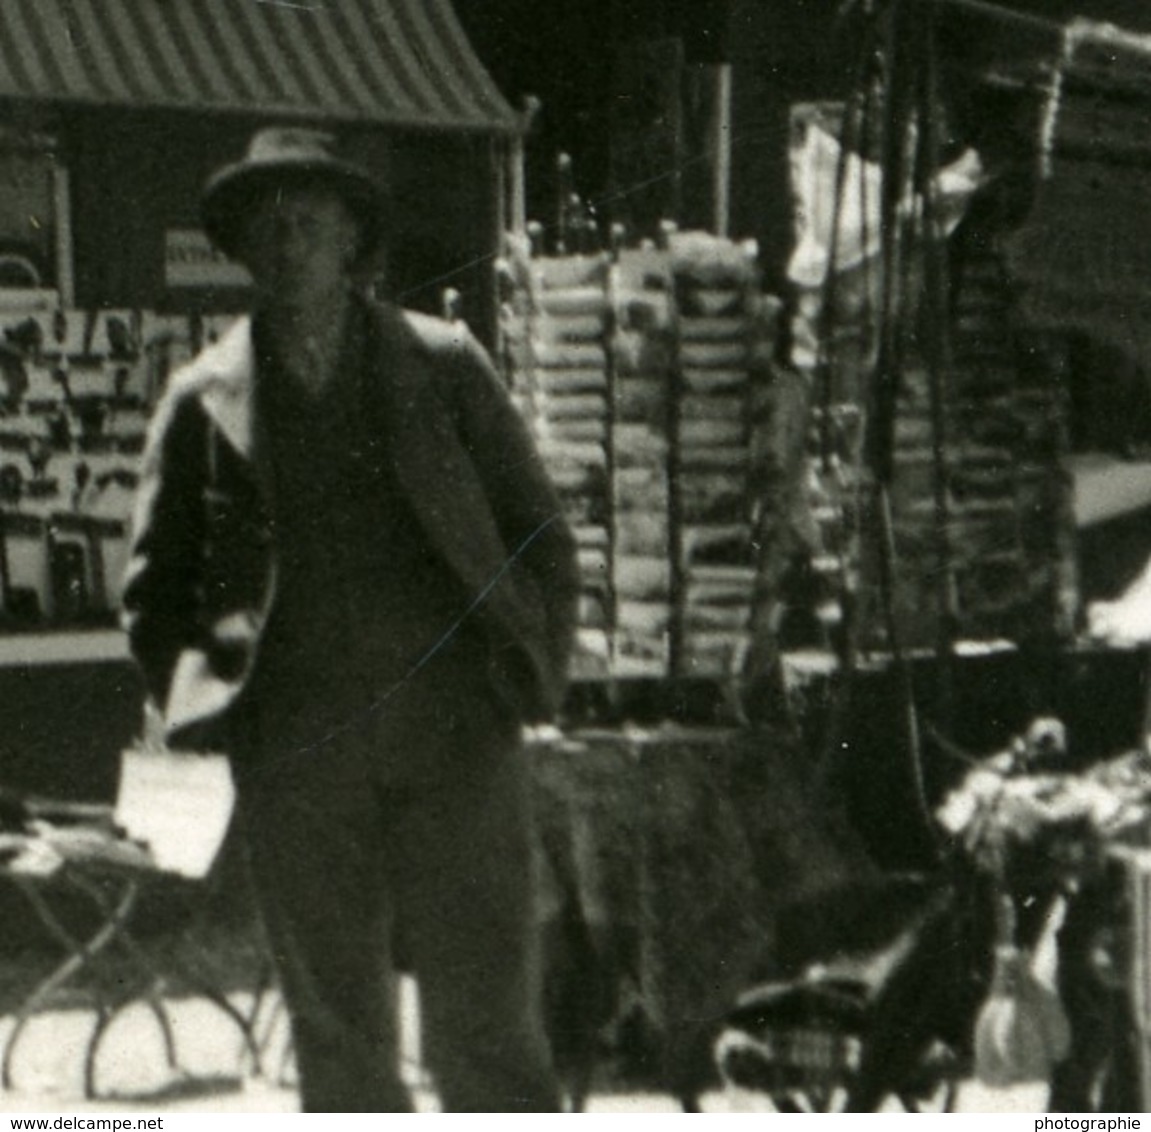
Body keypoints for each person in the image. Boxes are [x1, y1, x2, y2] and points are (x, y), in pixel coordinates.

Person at [122, 127, 579, 1112]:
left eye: (310, 223)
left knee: (488, 1021)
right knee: (337, 1034)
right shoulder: (204, 399)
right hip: (299, 750)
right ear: (242, 250)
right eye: (268, 227)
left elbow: (540, 535)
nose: (289, 245)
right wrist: (212, 706)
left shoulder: (442, 365)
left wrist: (530, 668)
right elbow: (153, 592)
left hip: (455, 734)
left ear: (350, 240)